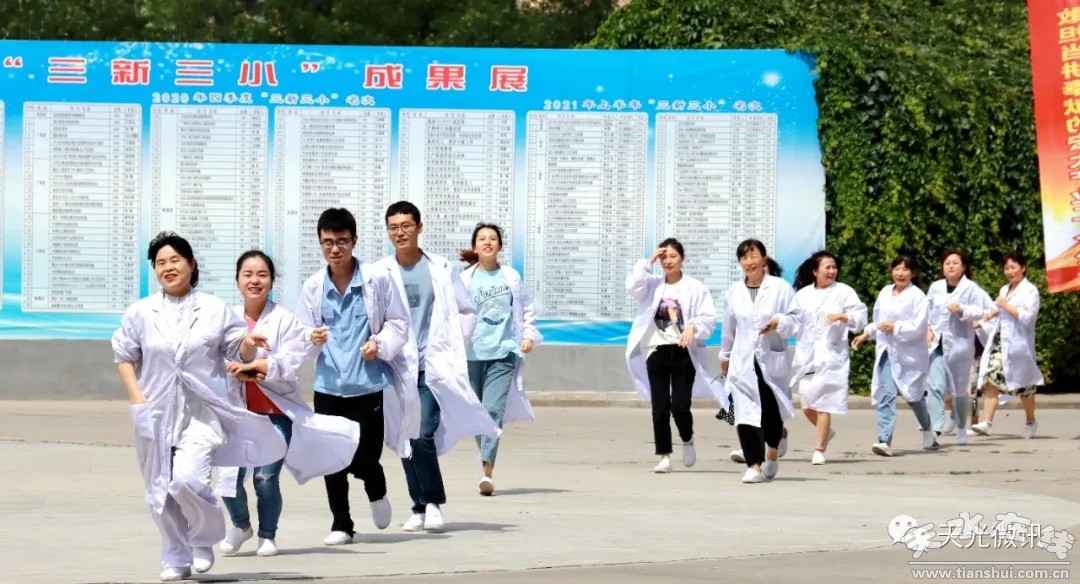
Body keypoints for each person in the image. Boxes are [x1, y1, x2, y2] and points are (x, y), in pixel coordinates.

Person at [112, 232, 287, 582]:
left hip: (201, 413)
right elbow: (125, 355)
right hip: (155, 411)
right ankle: (175, 557)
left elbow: (238, 348)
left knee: (187, 480)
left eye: (175, 260)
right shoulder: (141, 312)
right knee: (160, 490)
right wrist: (137, 398)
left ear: (192, 264)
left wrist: (249, 343)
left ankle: (202, 538)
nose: (168, 267)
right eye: (160, 263)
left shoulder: (213, 309)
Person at [216, 250, 361, 557]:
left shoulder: (284, 319)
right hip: (237, 415)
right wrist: (231, 369)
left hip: (275, 413)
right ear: (237, 280)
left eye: (262, 275)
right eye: (248, 274)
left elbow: (293, 359)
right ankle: (241, 525)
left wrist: (259, 367)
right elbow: (213, 359)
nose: (255, 281)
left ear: (272, 281)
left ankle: (267, 535)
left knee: (265, 478)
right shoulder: (226, 319)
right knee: (228, 479)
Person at [375, 202, 501, 531]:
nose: (400, 232)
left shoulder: (442, 268)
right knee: (404, 437)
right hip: (396, 366)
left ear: (419, 227)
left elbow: (467, 311)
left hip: (431, 365)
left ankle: (432, 502)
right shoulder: (378, 273)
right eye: (393, 227)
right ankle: (418, 507)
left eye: (406, 225)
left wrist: (451, 344)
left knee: (422, 433)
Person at [296, 208, 417, 546]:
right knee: (331, 457)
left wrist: (379, 344)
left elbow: (398, 323)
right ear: (320, 243)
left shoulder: (377, 279)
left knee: (366, 455)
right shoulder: (313, 287)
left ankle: (375, 484)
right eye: (328, 242)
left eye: (342, 241)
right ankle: (341, 523)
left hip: (367, 384)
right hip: (329, 385)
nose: (335, 249)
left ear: (354, 241)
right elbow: (301, 330)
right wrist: (310, 337)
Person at [625, 238, 725, 473]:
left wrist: (693, 326)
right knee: (659, 407)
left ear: (682, 259)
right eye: (663, 258)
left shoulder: (696, 287)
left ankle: (687, 438)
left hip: (684, 351)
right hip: (656, 350)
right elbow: (632, 285)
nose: (668, 261)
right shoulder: (651, 285)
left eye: (673, 256)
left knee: (680, 407)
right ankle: (664, 455)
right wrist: (647, 261)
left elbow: (708, 317)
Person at [459, 223, 541, 496]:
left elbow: (526, 309)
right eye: (482, 239)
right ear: (475, 246)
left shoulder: (511, 277)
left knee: (492, 410)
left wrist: (528, 336)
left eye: (493, 238)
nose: (487, 242)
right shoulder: (464, 279)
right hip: (471, 354)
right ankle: (485, 457)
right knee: (476, 412)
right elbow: (453, 314)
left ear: (500, 246)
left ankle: (486, 471)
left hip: (504, 353)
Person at [718, 239, 799, 484]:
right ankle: (754, 465)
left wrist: (778, 322)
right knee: (743, 414)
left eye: (753, 256)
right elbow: (729, 327)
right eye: (744, 258)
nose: (749, 262)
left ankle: (772, 450)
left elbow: (796, 320)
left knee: (770, 414)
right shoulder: (734, 291)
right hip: (742, 361)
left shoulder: (780, 288)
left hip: (769, 359)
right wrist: (725, 355)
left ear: (764, 259)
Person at [852, 255, 938, 456]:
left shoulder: (918, 297)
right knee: (887, 394)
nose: (900, 273)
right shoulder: (885, 292)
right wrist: (866, 334)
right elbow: (879, 321)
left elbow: (918, 327)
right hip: (887, 351)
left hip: (909, 354)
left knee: (914, 397)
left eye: (905, 269)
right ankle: (884, 440)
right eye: (897, 269)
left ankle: (927, 429)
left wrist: (896, 326)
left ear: (912, 273)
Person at [789, 251, 867, 465]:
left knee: (824, 402)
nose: (832, 271)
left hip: (831, 356)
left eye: (834, 267)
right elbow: (793, 321)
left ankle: (819, 449)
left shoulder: (844, 292)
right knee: (807, 403)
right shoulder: (803, 295)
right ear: (815, 271)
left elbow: (860, 316)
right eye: (827, 267)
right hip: (808, 356)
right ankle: (826, 432)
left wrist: (844, 316)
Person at [971, 252, 1044, 438]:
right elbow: (997, 309)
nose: (1010, 271)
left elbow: (1028, 318)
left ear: (1023, 268)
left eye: (1013, 267)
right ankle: (987, 423)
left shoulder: (1030, 291)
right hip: (999, 341)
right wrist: (985, 318)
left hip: (1018, 345)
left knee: (1024, 387)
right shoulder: (1004, 289)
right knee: (991, 377)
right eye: (1006, 268)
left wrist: (1005, 305)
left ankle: (1030, 421)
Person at [925, 250, 992, 445]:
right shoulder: (935, 287)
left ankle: (961, 427)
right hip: (937, 344)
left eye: (955, 263)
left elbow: (981, 311)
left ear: (963, 267)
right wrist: (928, 329)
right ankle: (934, 429)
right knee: (935, 387)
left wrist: (963, 309)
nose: (951, 266)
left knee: (960, 392)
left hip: (960, 345)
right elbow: (927, 311)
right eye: (947, 263)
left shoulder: (970, 288)